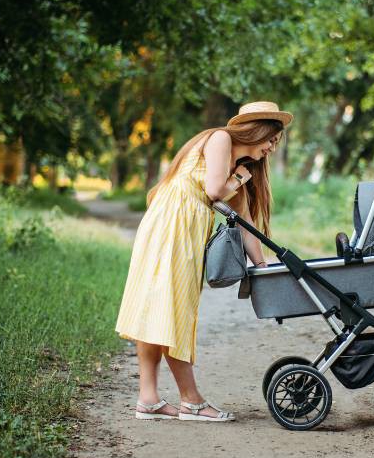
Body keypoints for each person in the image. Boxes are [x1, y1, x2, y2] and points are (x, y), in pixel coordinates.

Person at [114, 101, 293, 422]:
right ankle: (191, 401)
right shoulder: (221, 140)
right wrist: (238, 178)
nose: (271, 147)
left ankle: (149, 399)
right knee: (171, 310)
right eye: (271, 139)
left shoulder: (236, 168)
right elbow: (213, 191)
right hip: (172, 229)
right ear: (258, 130)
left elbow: (246, 223)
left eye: (276, 143)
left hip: (180, 230)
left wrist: (264, 267)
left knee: (161, 307)